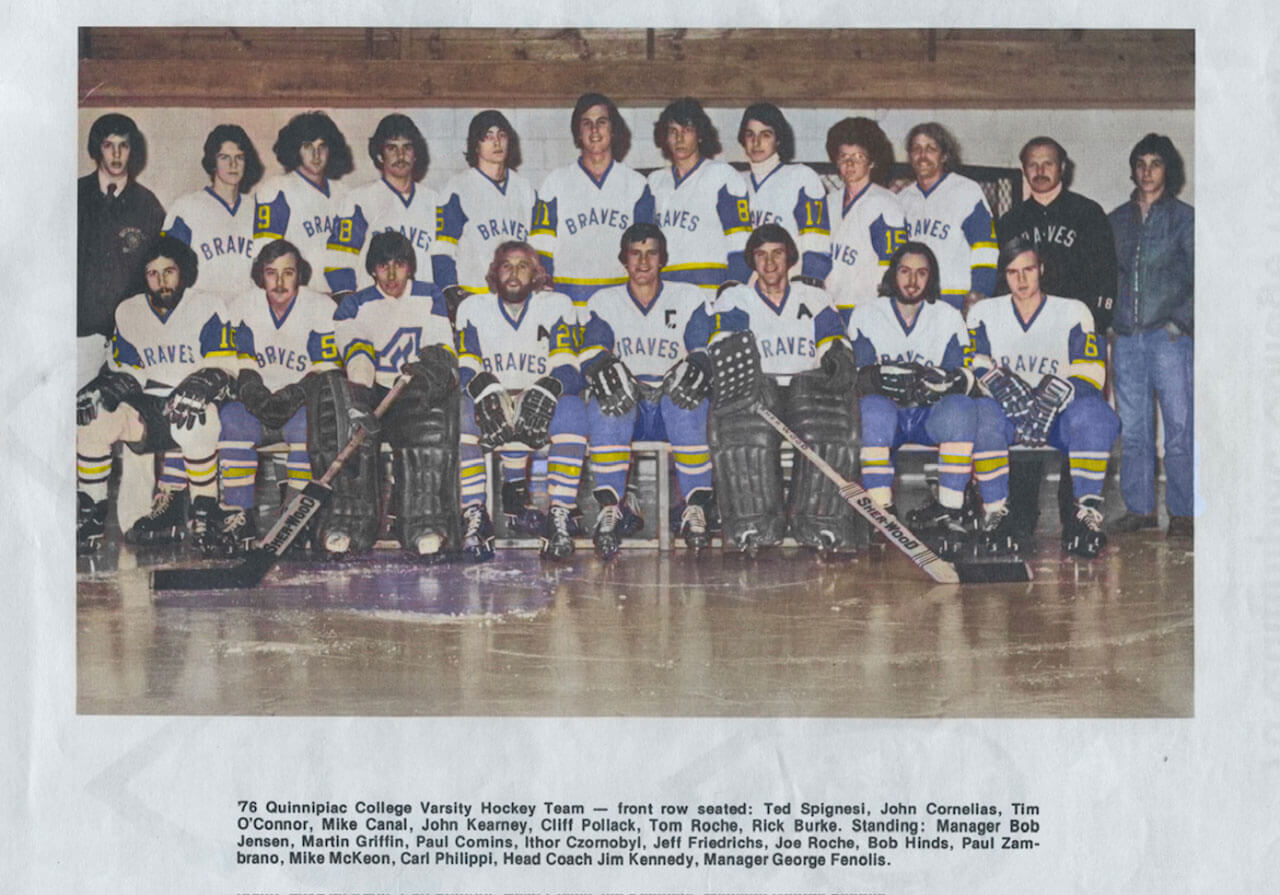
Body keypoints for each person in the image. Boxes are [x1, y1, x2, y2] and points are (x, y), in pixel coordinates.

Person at [686, 224, 860, 555]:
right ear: (752, 261)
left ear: (790, 258)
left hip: (807, 389)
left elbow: (832, 341)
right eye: (761, 255)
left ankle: (820, 525)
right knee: (745, 432)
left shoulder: (815, 296)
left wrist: (837, 358)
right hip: (756, 390)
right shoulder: (736, 298)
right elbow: (726, 344)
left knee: (827, 427)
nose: (769, 263)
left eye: (777, 254)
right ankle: (753, 526)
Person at [75, 236, 237, 553]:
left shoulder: (207, 305)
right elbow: (129, 369)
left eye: (169, 271)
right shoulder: (129, 311)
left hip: (195, 402)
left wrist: (204, 381)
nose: (162, 281)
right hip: (149, 408)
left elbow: (224, 363)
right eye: (153, 273)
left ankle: (204, 514)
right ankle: (91, 516)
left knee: (195, 417)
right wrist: (104, 387)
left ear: (183, 272)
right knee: (94, 417)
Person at [996, 136, 1118, 539]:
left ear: (1062, 167)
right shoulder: (1012, 219)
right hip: (1027, 333)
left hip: (1074, 331)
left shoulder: (1088, 213)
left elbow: (1105, 274)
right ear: (1024, 168)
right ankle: (1021, 516)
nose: (1040, 170)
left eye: (1048, 162)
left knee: (1075, 416)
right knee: (1024, 415)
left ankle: (1075, 517)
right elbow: (1003, 281)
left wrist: (1096, 329)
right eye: (1032, 163)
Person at [966, 239, 1121, 558]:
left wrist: (1052, 397)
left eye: (1028, 270)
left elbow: (1091, 371)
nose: (1021, 280)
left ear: (1042, 270)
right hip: (1009, 415)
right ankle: (995, 514)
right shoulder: (984, 312)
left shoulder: (1073, 310)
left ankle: (1087, 514)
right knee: (981, 412)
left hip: (1056, 417)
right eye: (1012, 272)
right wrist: (998, 385)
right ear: (1003, 275)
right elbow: (974, 364)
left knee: (1096, 415)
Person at [320, 231, 461, 560]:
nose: (393, 274)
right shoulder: (354, 304)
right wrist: (359, 403)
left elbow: (441, 350)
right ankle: (350, 522)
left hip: (415, 390)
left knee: (430, 427)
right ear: (372, 270)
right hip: (372, 389)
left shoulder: (430, 296)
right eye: (384, 266)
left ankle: (425, 521)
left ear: (411, 267)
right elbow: (357, 355)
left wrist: (424, 370)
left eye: (400, 265)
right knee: (345, 422)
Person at [578, 223, 715, 558]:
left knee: (688, 395)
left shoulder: (687, 297)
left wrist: (697, 367)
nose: (643, 261)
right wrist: (603, 368)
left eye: (651, 252)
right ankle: (610, 507)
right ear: (624, 259)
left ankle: (696, 508)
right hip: (630, 406)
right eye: (635, 253)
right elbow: (593, 351)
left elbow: (701, 349)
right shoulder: (604, 301)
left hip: (672, 405)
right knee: (609, 395)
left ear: (662, 258)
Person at [454, 242, 586, 560]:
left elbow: (568, 365)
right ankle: (474, 514)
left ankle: (560, 514)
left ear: (536, 273)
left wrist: (545, 389)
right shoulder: (472, 307)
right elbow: (466, 368)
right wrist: (487, 390)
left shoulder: (557, 304)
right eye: (506, 265)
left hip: (539, 399)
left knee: (572, 410)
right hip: (493, 401)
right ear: (494, 272)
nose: (514, 273)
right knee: (460, 413)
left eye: (522, 265)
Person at [846, 242, 977, 556]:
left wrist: (943, 382)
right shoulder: (866, 313)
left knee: (961, 408)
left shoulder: (947, 316)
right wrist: (878, 378)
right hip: (888, 412)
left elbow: (962, 374)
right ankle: (881, 511)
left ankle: (950, 508)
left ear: (931, 278)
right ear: (893, 274)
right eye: (905, 271)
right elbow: (861, 374)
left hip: (927, 414)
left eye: (922, 273)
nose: (912, 280)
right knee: (872, 408)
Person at [211, 240, 339, 554]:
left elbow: (327, 367)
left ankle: (294, 515)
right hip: (259, 401)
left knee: (305, 427)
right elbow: (240, 359)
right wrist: (253, 391)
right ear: (260, 275)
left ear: (300, 275)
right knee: (231, 419)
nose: (280, 283)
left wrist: (295, 393)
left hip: (300, 402)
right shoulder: (243, 304)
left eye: (288, 273)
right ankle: (239, 515)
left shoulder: (322, 307)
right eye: (271, 273)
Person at [77, 113, 167, 534]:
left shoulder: (147, 205)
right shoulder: (73, 196)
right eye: (109, 145)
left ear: (134, 151)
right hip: (77, 333)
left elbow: (156, 273)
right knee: (78, 417)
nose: (116, 154)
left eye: (124, 145)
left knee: (135, 416)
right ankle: (83, 512)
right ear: (97, 149)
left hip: (131, 335)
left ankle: (135, 517)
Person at [1108, 134, 1194, 538]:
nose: (1146, 171)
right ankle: (1140, 509)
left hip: (1170, 340)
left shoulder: (1185, 219)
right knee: (1135, 429)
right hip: (1126, 339)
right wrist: (1110, 321)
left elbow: (1205, 279)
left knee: (1179, 427)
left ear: (1167, 170)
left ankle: (1184, 512)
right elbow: (1106, 276)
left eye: (1155, 163)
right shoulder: (1116, 220)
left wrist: (1179, 324)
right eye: (1140, 162)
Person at [531, 92, 653, 306]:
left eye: (601, 122)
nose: (594, 130)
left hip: (621, 301)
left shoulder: (636, 184)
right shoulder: (555, 182)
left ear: (613, 130)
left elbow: (646, 251)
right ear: (578, 132)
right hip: (569, 299)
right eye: (587, 123)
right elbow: (541, 246)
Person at [324, 114, 438, 297]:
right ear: (379, 154)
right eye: (392, 148)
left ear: (415, 154)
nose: (400, 155)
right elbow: (339, 262)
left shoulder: (435, 201)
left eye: (407, 147)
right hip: (374, 309)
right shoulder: (359, 200)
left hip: (421, 308)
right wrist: (351, 305)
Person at [646, 98, 752, 290]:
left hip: (709, 289)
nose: (679, 139)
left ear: (700, 135)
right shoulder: (654, 182)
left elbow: (740, 245)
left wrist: (733, 290)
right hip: (666, 291)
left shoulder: (721, 174)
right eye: (673, 131)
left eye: (687, 130)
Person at [434, 110, 539, 303]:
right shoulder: (458, 188)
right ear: (475, 145)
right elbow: (443, 248)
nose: (497, 142)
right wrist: (449, 288)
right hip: (475, 296)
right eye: (487, 137)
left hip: (518, 298)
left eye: (502, 135)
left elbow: (536, 246)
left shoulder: (524, 188)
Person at [898, 122, 997, 311]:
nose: (923, 156)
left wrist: (980, 293)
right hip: (913, 302)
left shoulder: (966, 191)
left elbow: (985, 248)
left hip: (956, 299)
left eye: (931, 149)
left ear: (944, 155)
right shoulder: (902, 199)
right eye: (916, 149)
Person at [253, 111, 354, 293]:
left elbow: (350, 255)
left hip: (342, 297)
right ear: (295, 149)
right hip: (298, 298)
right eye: (308, 147)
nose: (316, 155)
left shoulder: (345, 194)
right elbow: (266, 258)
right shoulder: (276, 190)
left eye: (322, 147)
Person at [163, 124, 265, 298]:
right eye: (224, 157)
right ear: (212, 162)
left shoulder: (258, 209)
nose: (233, 164)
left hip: (247, 312)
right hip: (201, 311)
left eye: (239, 157)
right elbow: (166, 266)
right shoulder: (186, 208)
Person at [823, 116, 907, 324]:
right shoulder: (827, 203)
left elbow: (890, 268)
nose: (850, 164)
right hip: (827, 308)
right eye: (844, 157)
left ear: (872, 161)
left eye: (858, 157)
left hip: (865, 310)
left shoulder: (885, 203)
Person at [737, 103, 830, 283]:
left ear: (778, 139)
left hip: (788, 287)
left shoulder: (801, 177)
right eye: (750, 134)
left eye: (765, 135)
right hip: (747, 291)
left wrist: (806, 288)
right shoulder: (735, 182)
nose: (756, 143)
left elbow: (816, 245)